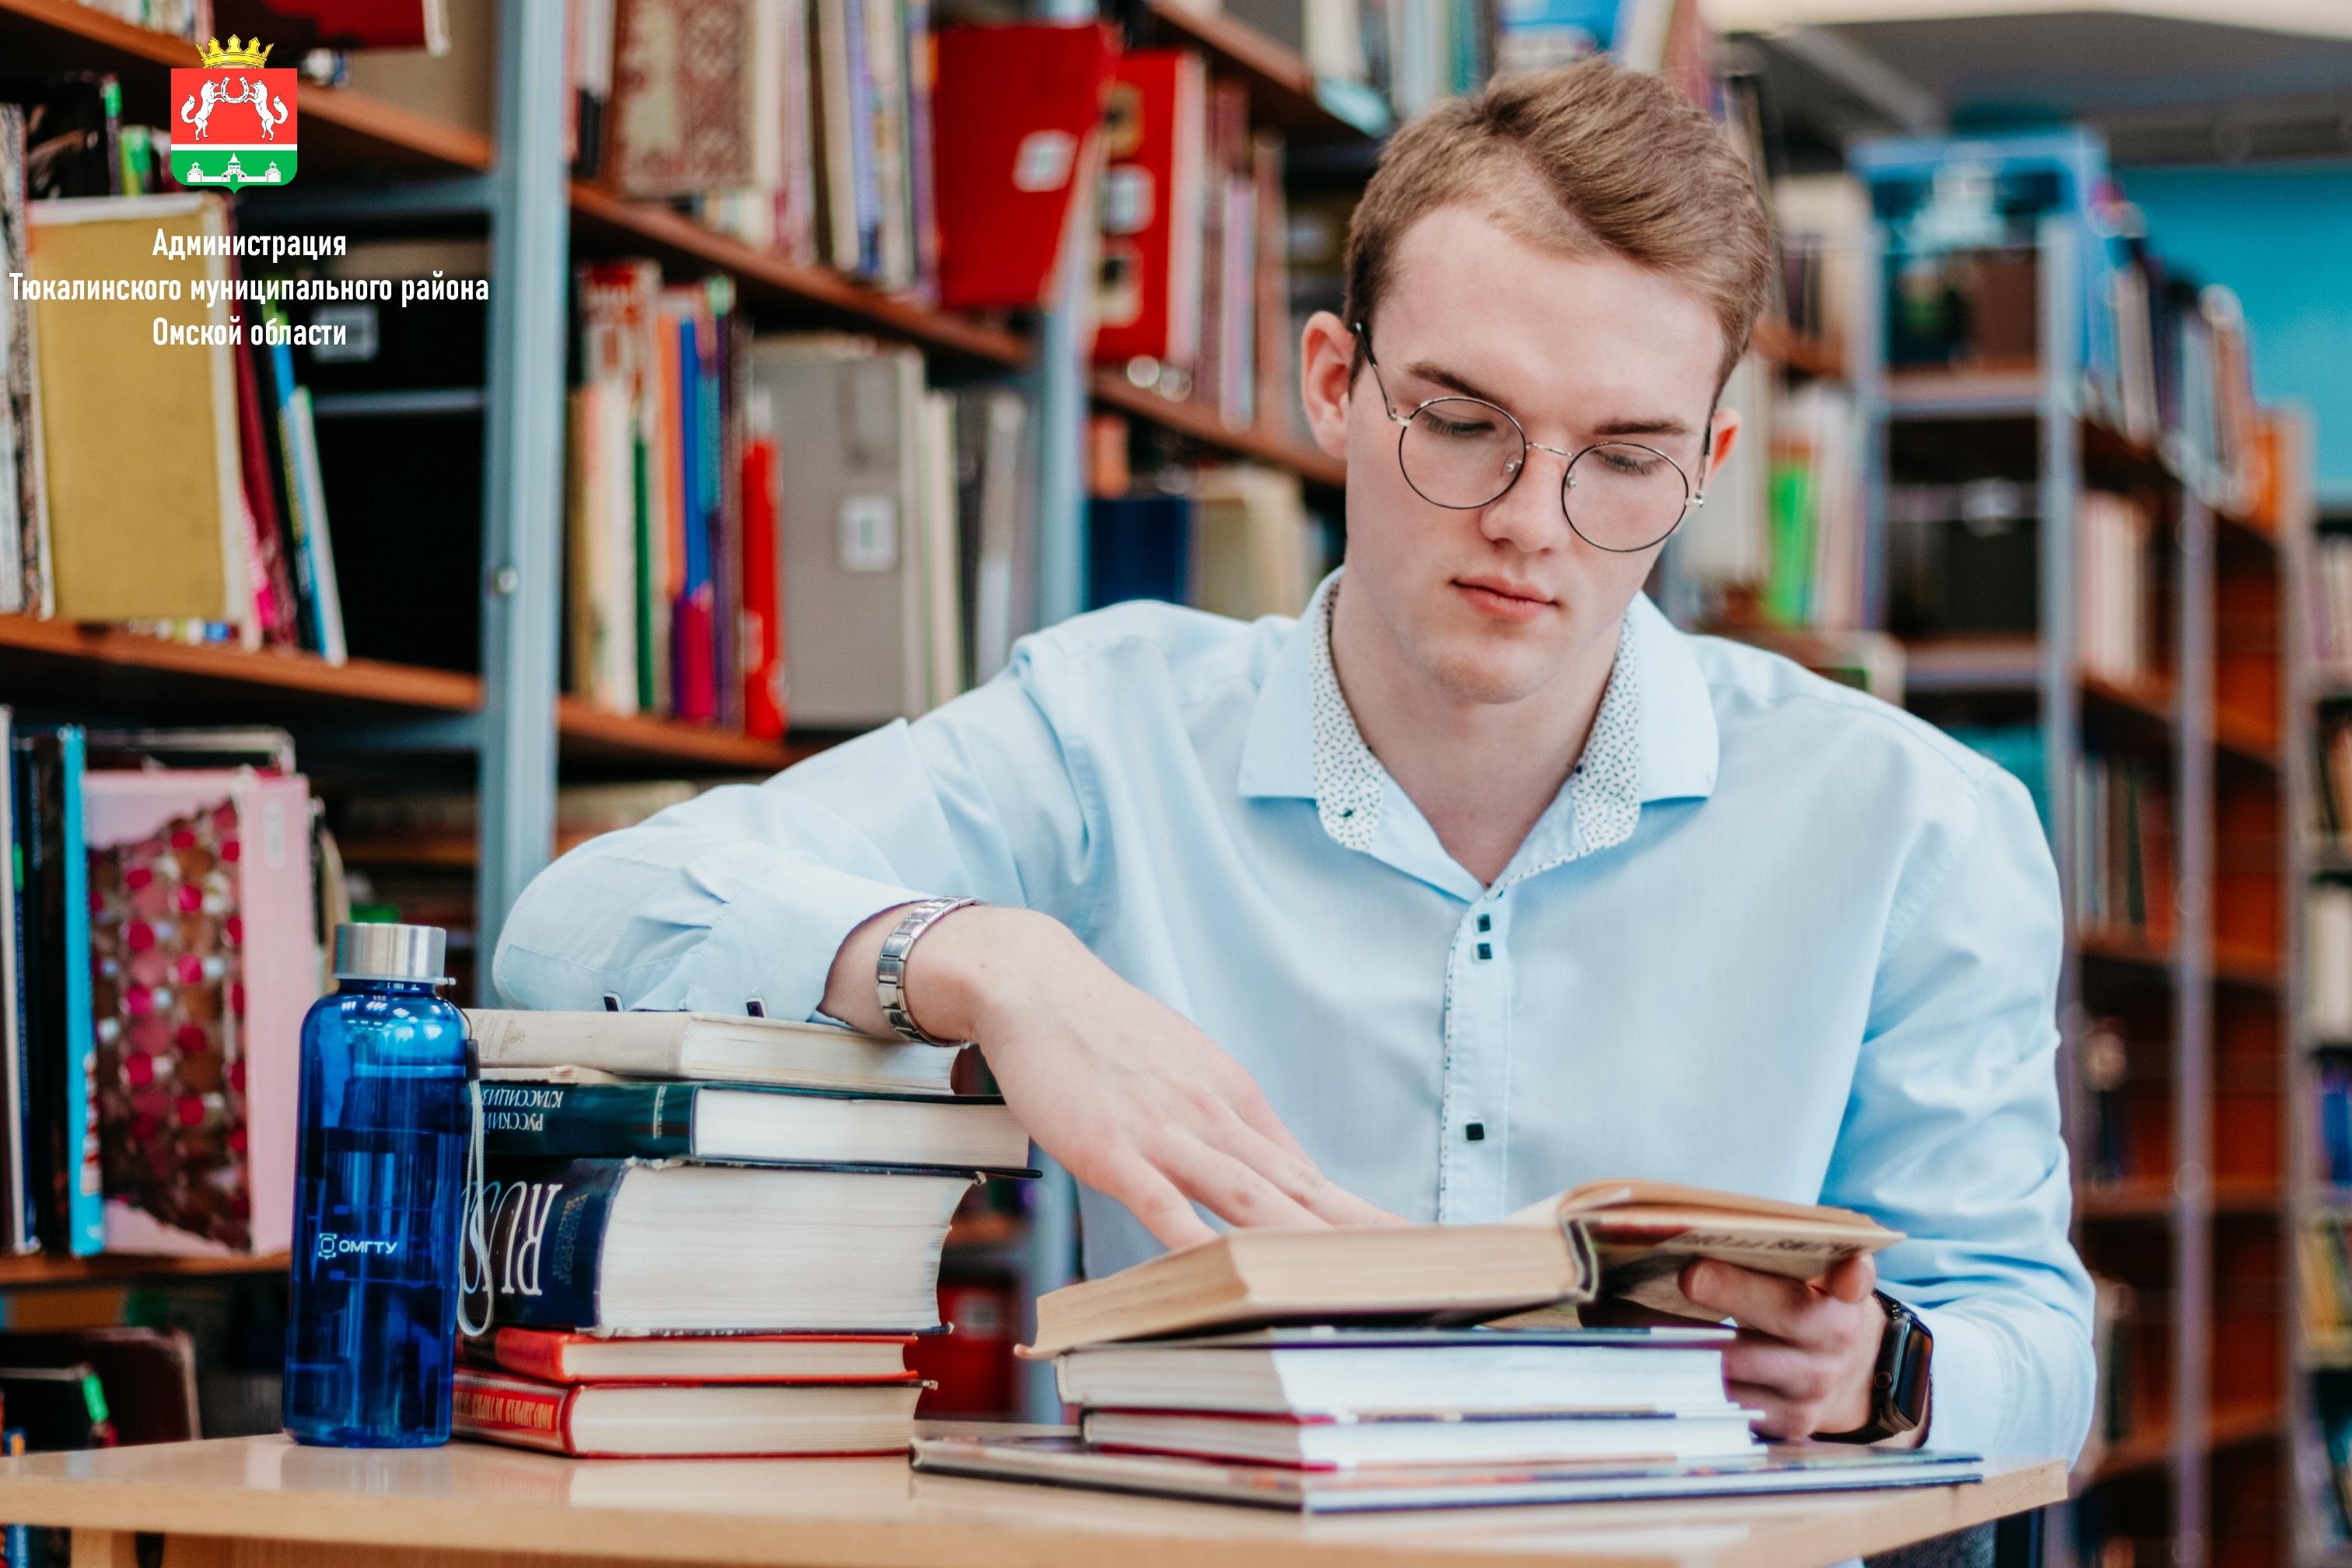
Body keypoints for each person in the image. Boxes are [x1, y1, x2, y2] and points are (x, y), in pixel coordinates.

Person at [495, 55, 2093, 1461]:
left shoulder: (1913, 823)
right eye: (1462, 421)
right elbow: (574, 925)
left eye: (1623, 458)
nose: (1531, 520)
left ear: (1711, 465)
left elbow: (2038, 1344)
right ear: (1336, 383)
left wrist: (1881, 1368)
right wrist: (985, 962)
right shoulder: (1109, 732)